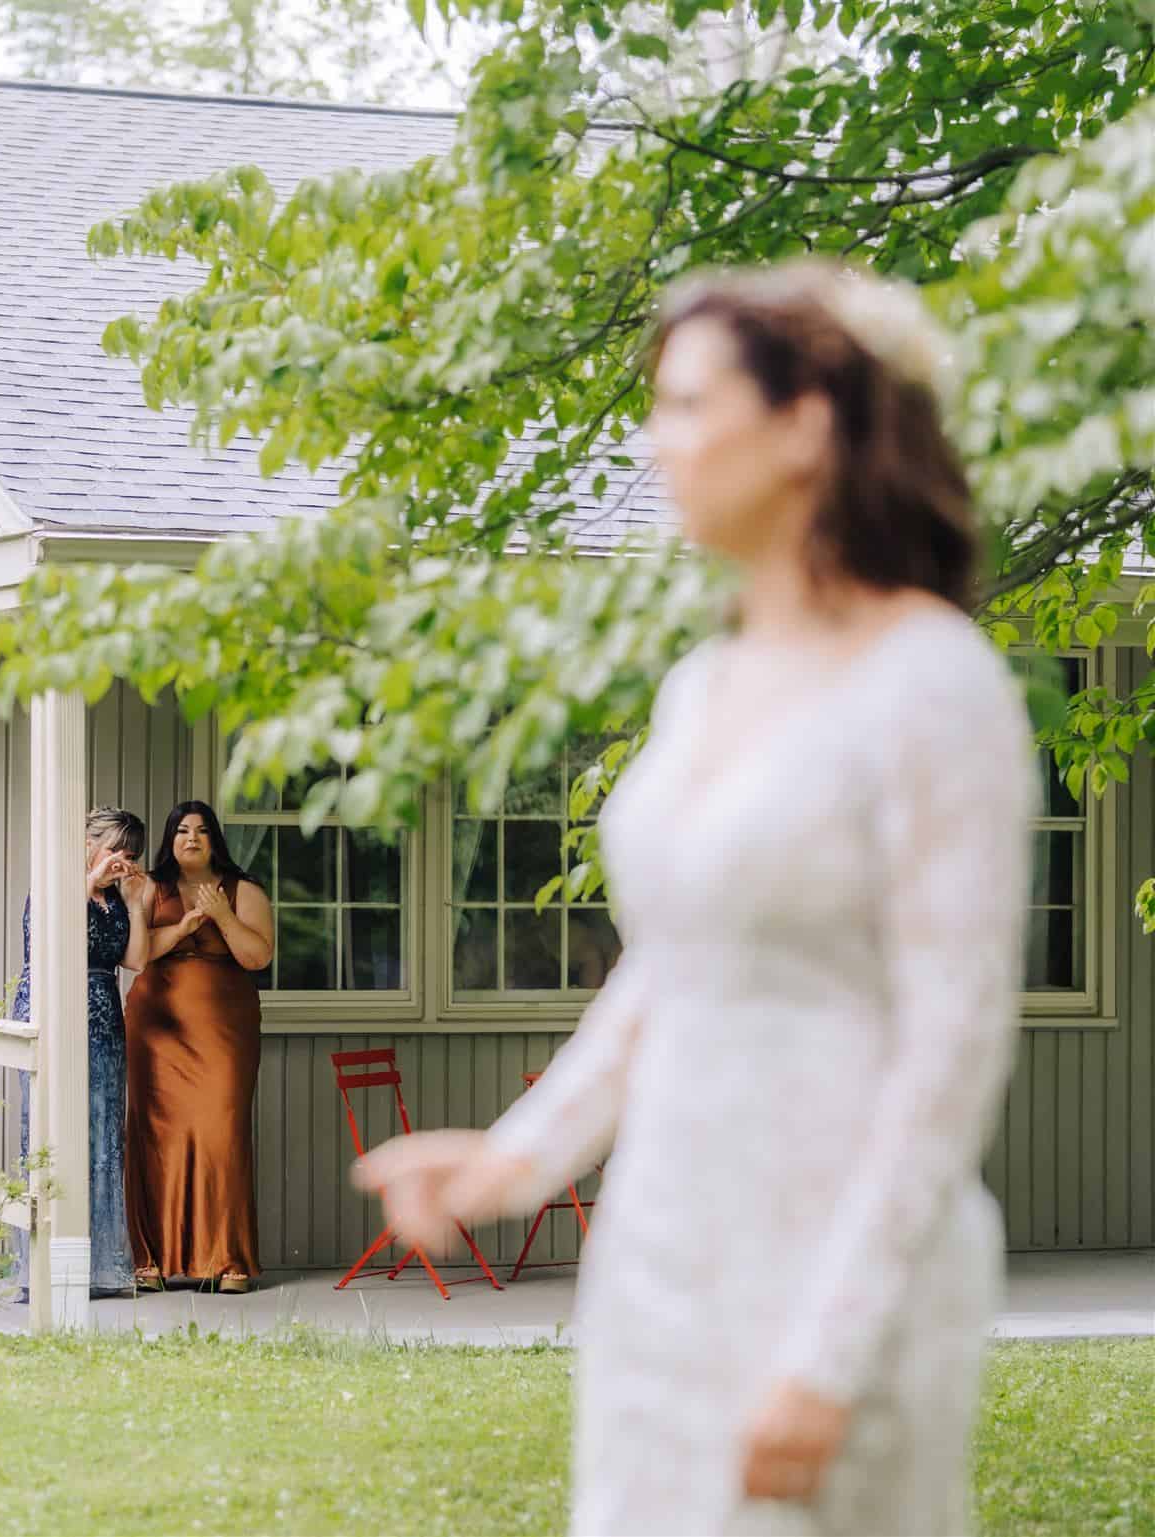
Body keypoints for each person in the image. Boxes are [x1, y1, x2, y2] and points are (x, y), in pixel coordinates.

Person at [358, 260, 1034, 1535]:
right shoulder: (702, 687)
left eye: (685, 404)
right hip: (663, 1253)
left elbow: (951, 1048)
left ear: (806, 423)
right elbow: (666, 970)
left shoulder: (930, 685)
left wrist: (827, 1353)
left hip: (834, 1268)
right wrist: (514, 1158)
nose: (653, 440)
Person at [124, 801, 274, 1294]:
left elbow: (257, 957)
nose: (192, 838)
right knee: (155, 1135)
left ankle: (227, 1260)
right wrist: (183, 928)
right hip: (158, 1028)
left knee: (221, 1134)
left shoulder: (244, 890)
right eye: (182, 830)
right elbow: (135, 955)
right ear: (170, 839)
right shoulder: (150, 888)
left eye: (202, 831)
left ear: (215, 841)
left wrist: (222, 916)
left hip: (223, 1031)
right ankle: (154, 1259)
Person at [11, 806, 152, 1299]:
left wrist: (136, 903)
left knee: (102, 1136)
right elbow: (49, 935)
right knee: (52, 1132)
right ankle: (44, 1270)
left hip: (104, 1018)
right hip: (53, 1012)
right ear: (89, 844)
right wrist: (89, 878)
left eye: (130, 854)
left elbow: (134, 960)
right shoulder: (55, 886)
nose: (122, 860)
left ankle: (100, 1269)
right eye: (115, 849)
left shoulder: (117, 901)